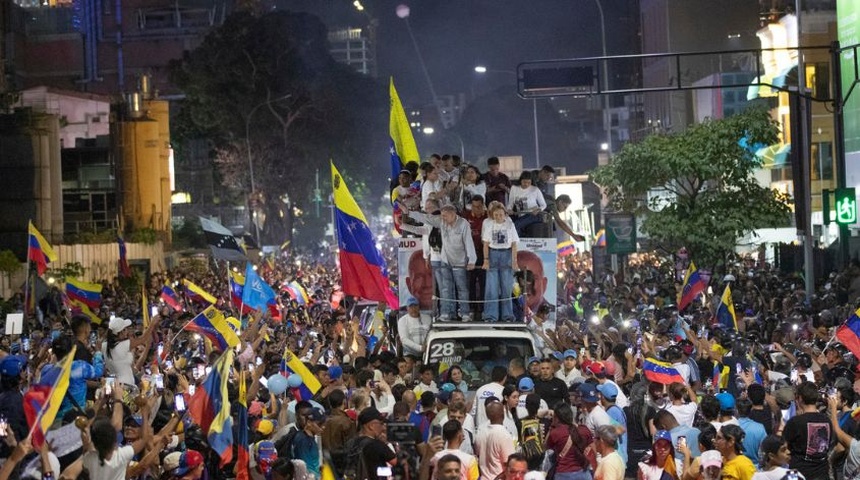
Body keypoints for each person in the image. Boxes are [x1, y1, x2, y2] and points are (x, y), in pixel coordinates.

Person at [407, 205, 477, 321]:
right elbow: (426, 218)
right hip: (445, 260)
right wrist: (409, 213)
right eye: (442, 215)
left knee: (462, 288)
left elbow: (468, 242)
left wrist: (472, 260)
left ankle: (464, 313)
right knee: (445, 288)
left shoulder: (464, 224)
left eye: (445, 216)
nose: (443, 218)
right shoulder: (441, 222)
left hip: (459, 261)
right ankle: (446, 313)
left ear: (453, 214)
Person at [783, 382, 832, 480]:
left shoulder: (795, 422)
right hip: (822, 474)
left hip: (796, 473)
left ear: (800, 398)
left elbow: (784, 446)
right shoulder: (827, 421)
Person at [482, 201, 519, 323]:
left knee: (506, 287)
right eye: (496, 214)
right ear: (493, 215)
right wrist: (486, 260)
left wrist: (514, 261)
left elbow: (514, 244)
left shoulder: (510, 224)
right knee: (491, 287)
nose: (498, 216)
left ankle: (507, 316)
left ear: (505, 214)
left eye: (500, 214)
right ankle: (490, 316)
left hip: (506, 254)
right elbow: (486, 244)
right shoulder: (488, 224)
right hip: (493, 253)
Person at [103, 314, 157, 386]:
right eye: (125, 329)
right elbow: (143, 338)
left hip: (112, 384)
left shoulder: (104, 345)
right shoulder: (123, 346)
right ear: (121, 332)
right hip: (125, 386)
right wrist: (152, 324)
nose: (127, 331)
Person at [546, 403, 594, 480]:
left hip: (563, 474)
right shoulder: (584, 430)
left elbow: (545, 447)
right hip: (583, 473)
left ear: (557, 418)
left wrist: (551, 426)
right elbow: (593, 449)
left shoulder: (555, 433)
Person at [475, 401, 515, 480]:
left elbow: (478, 455)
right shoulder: (503, 434)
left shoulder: (480, 433)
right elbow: (510, 464)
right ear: (503, 414)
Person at [506, 171, 546, 235]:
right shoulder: (514, 188)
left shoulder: (535, 189)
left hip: (533, 215)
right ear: (520, 181)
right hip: (520, 215)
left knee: (516, 225)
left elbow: (543, 205)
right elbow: (510, 202)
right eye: (524, 182)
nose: (526, 184)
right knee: (514, 226)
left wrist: (538, 210)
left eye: (528, 183)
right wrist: (509, 209)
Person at [736, 398, 767, 466]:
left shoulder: (731, 426)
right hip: (754, 469)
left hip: (735, 467)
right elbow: (763, 453)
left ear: (737, 410)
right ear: (751, 410)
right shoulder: (760, 428)